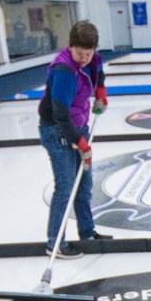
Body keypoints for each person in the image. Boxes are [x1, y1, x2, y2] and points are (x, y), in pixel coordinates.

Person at [37, 20, 112, 259]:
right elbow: (60, 115)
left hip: (78, 126)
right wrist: (81, 144)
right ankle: (54, 243)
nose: (84, 58)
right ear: (70, 46)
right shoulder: (63, 72)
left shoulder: (93, 58)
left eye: (88, 53)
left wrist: (101, 93)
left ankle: (87, 232)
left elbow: (98, 71)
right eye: (79, 52)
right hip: (57, 131)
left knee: (85, 183)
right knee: (66, 187)